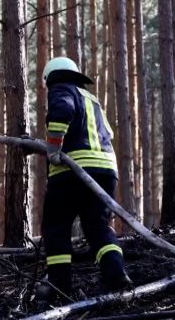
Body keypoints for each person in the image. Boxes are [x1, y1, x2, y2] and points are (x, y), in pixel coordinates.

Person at [40, 56, 131, 299]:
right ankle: (115, 273)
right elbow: (106, 133)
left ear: (51, 78)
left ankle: (59, 285)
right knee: (97, 225)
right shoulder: (93, 100)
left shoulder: (61, 90)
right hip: (106, 171)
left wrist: (53, 150)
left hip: (73, 171)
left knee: (56, 227)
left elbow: (62, 113)